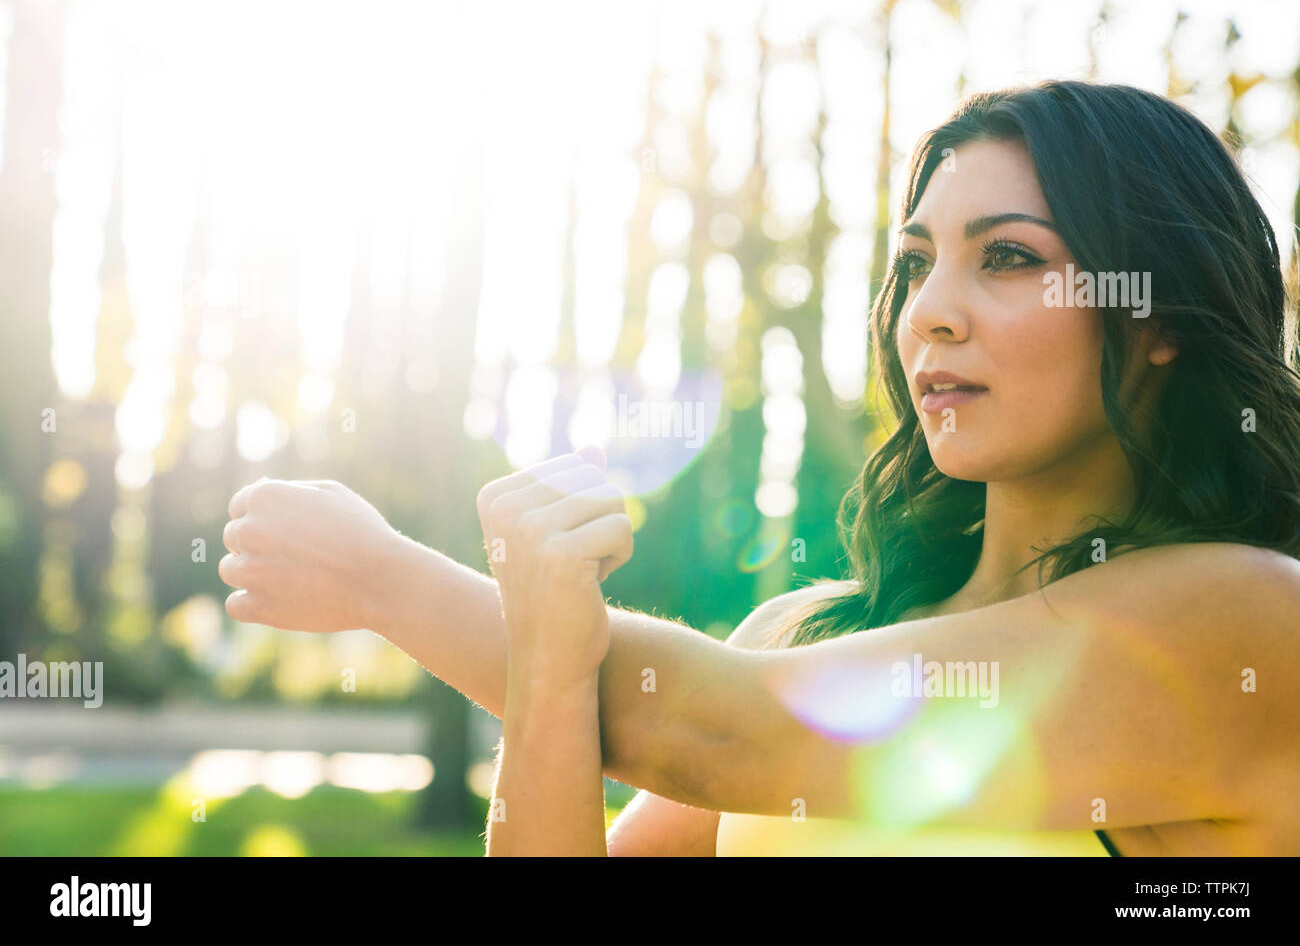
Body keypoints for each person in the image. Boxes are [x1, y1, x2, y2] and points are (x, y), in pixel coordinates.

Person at [219, 80, 1300, 855]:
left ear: (1154, 316)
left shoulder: (1248, 621)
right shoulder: (797, 634)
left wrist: (382, 577)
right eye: (916, 264)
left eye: (1008, 257)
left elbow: (708, 726)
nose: (930, 314)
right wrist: (548, 679)